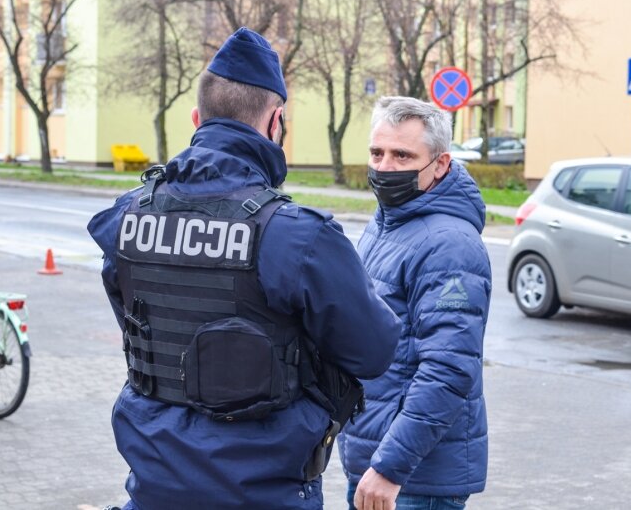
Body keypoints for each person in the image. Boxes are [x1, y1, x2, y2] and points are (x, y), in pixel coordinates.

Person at [87, 28, 401, 510]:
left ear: (197, 119)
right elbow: (375, 351)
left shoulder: (128, 218)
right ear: (276, 121)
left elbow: (142, 331)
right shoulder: (299, 234)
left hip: (154, 487)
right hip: (268, 492)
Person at [338, 96, 492, 510]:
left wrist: (390, 467)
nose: (385, 167)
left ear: (439, 165)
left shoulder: (449, 245)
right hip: (375, 460)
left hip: (412, 480)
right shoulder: (386, 223)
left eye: (402, 155)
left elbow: (448, 369)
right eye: (377, 152)